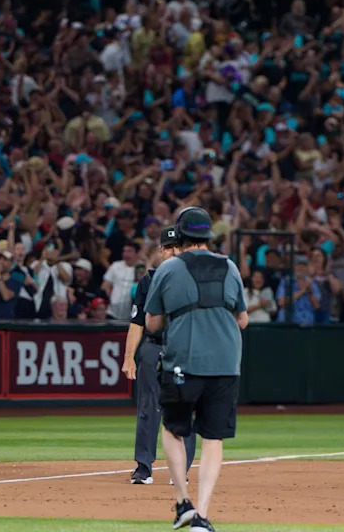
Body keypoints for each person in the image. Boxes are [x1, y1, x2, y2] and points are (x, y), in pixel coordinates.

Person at [145, 207, 249, 532]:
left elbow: (152, 322)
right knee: (213, 437)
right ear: (209, 236)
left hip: (184, 361)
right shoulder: (230, 267)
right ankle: (202, 516)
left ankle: (182, 502)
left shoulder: (169, 268)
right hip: (226, 362)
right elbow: (243, 319)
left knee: (173, 428)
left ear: (182, 235)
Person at [122, 225, 196, 486]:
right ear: (161, 251)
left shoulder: (194, 277)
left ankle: (181, 470)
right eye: (169, 248)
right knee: (147, 407)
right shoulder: (149, 280)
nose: (174, 252)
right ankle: (143, 467)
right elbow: (137, 322)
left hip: (184, 348)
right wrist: (129, 356)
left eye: (179, 247)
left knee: (184, 407)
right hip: (153, 347)